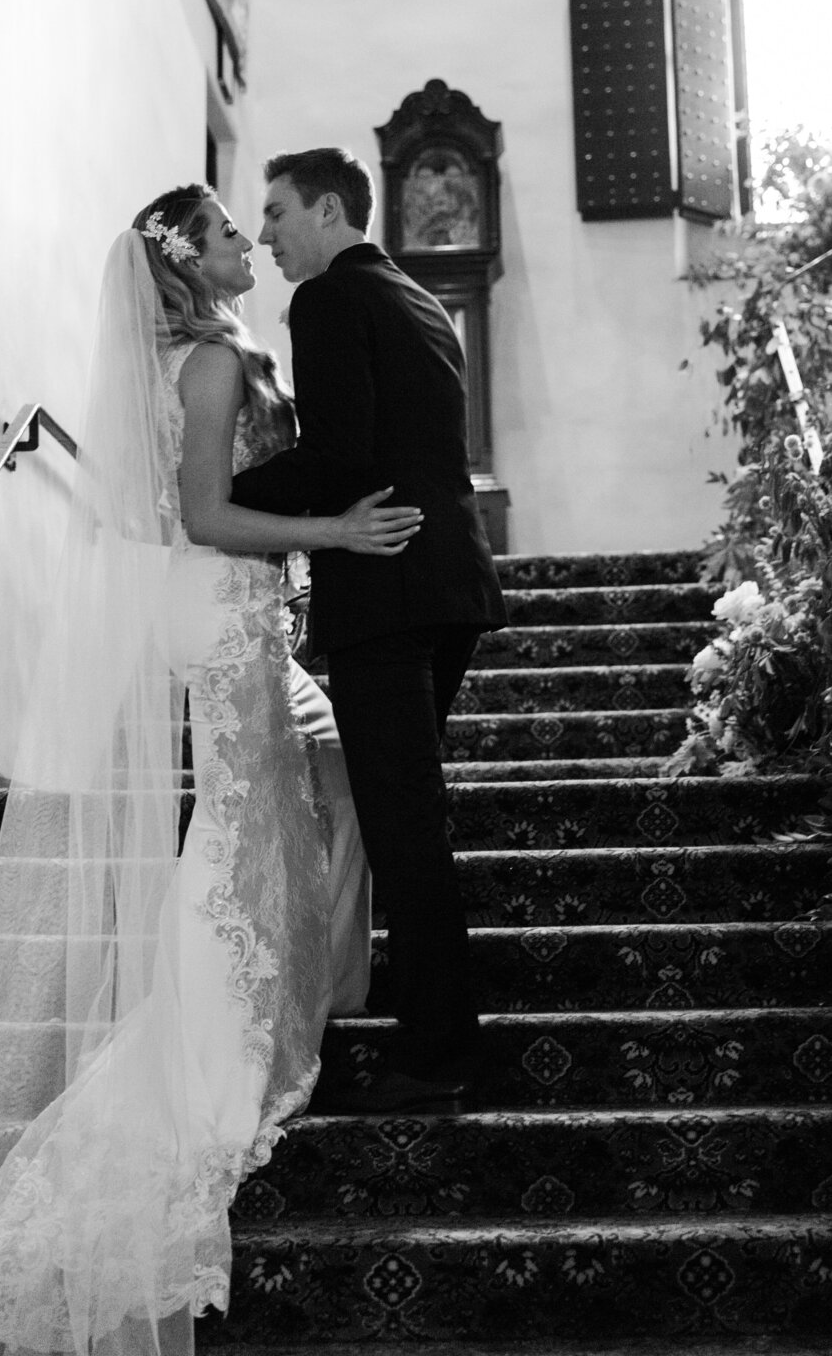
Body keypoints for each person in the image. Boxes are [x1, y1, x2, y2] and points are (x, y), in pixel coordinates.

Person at [0, 184, 422, 1356]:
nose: (251, 244)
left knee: (279, 803)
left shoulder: (196, 354)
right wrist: (336, 537)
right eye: (234, 232)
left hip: (223, 612)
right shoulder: (213, 364)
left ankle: (274, 997)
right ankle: (208, 1045)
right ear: (190, 260)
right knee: (247, 816)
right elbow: (200, 513)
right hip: (223, 608)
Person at [231, 148, 507, 1111]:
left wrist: (213, 497)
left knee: (402, 827)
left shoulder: (330, 301)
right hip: (449, 587)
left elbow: (340, 457)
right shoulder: (416, 297)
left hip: (387, 594)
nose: (264, 236)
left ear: (330, 208)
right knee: (405, 817)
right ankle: (435, 1026)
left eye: (275, 214)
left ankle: (438, 1052)